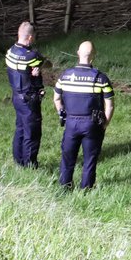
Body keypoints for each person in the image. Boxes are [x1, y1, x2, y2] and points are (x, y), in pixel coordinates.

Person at [52, 40, 114, 190]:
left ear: (78, 54)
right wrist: (105, 123)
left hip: (71, 123)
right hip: (92, 125)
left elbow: (56, 98)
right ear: (93, 56)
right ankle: (86, 189)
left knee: (68, 158)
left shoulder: (65, 76)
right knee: (90, 160)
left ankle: (64, 188)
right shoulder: (101, 78)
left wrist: (62, 113)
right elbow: (110, 105)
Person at [4, 21, 47, 168]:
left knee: (20, 129)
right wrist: (34, 73)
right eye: (34, 36)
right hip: (29, 99)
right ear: (29, 38)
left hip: (16, 96)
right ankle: (30, 164)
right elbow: (46, 63)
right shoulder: (32, 56)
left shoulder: (10, 51)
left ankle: (18, 161)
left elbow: (19, 71)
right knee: (32, 133)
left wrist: (30, 73)